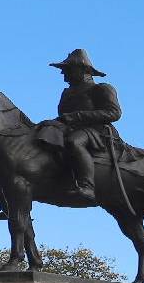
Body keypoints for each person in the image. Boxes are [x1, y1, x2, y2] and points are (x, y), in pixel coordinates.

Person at [47, 48, 122, 202]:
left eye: (67, 69)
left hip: (97, 131)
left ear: (82, 70)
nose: (63, 74)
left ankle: (87, 185)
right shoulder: (67, 93)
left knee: (74, 142)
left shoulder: (101, 89)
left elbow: (114, 113)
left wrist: (77, 116)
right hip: (69, 128)